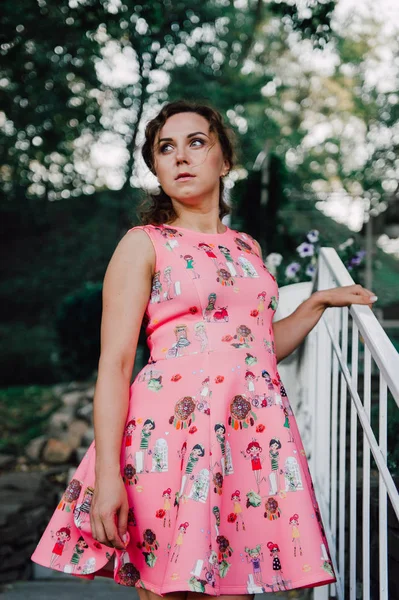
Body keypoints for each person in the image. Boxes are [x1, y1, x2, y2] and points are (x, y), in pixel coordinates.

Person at [31, 99, 378, 599]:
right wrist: (109, 476)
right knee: (173, 591)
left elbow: (254, 349)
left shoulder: (247, 249)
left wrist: (316, 304)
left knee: (236, 590)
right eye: (165, 148)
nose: (181, 157)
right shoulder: (144, 243)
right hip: (167, 443)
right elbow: (116, 365)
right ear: (156, 167)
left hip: (243, 444)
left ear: (224, 160)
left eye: (197, 142)